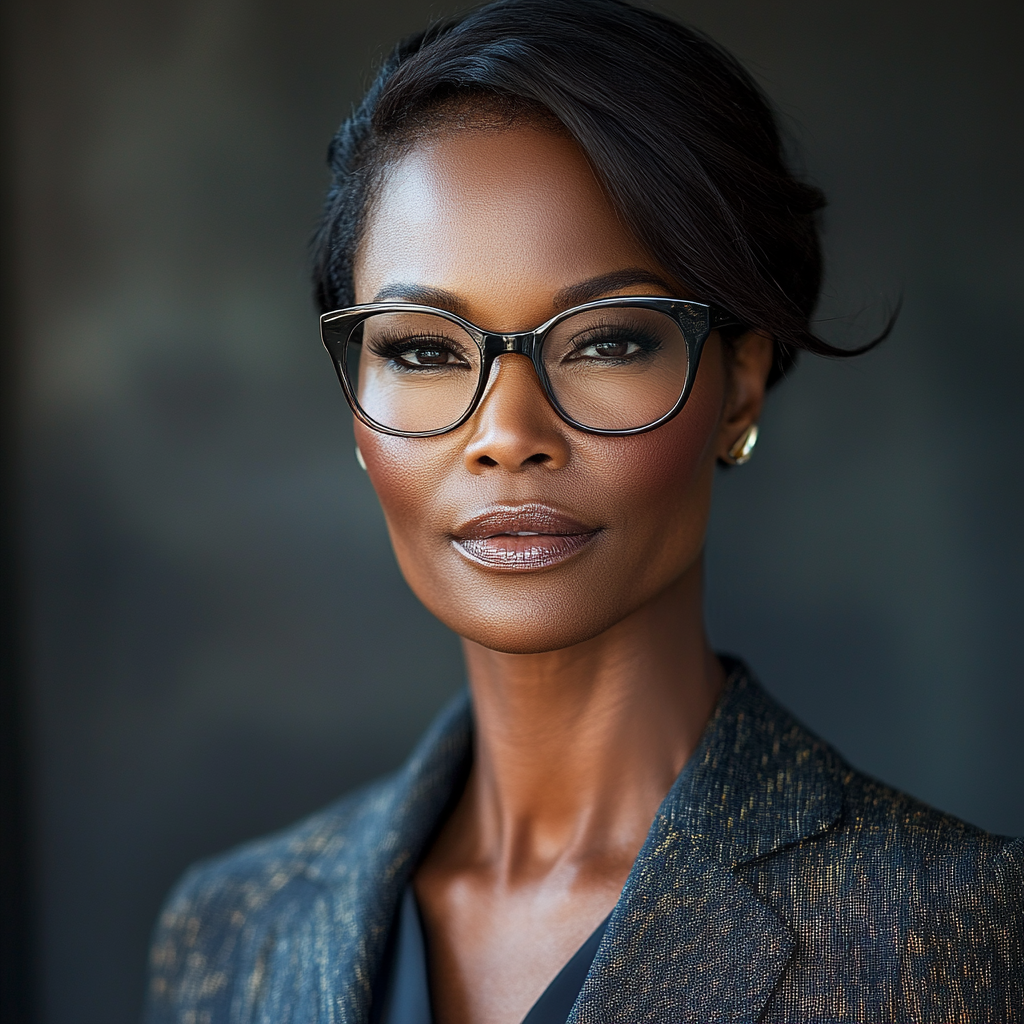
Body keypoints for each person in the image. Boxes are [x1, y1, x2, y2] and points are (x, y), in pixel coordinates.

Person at [143, 1, 1023, 1021]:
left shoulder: (947, 928)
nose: (507, 430)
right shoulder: (229, 933)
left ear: (737, 384)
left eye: (605, 340)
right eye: (423, 350)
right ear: (357, 399)